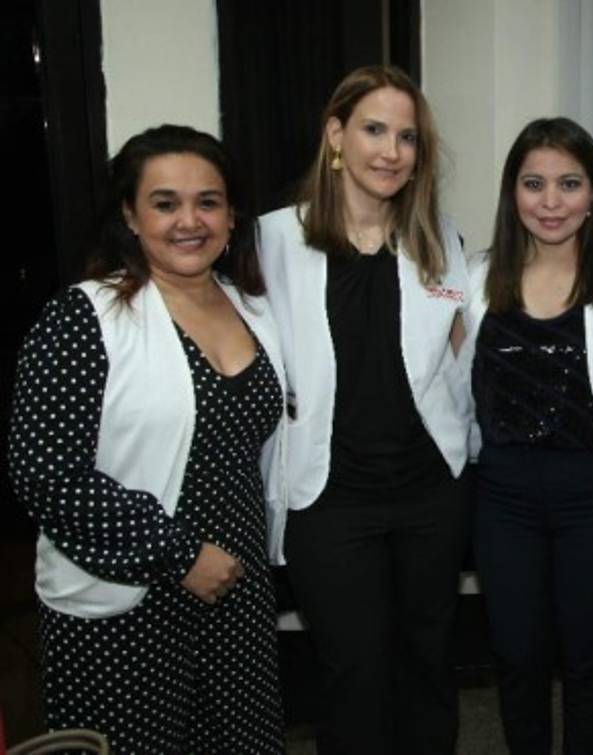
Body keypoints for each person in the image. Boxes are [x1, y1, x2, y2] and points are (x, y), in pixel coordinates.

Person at [8, 124, 287, 753]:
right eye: (165, 203)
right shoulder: (84, 317)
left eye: (207, 202)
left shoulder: (252, 305)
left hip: (237, 588)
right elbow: (46, 476)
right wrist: (181, 555)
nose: (189, 221)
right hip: (130, 600)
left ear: (231, 214)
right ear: (131, 216)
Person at [257, 65, 473, 753]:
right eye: (374, 129)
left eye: (406, 136)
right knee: (353, 674)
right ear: (335, 136)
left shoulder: (440, 239)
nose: (390, 151)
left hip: (428, 494)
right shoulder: (272, 241)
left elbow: (457, 364)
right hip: (329, 499)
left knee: (430, 665)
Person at [465, 117, 593, 754]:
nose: (550, 201)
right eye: (533, 183)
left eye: (568, 183)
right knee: (517, 660)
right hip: (503, 500)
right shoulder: (473, 280)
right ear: (513, 192)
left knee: (588, 662)